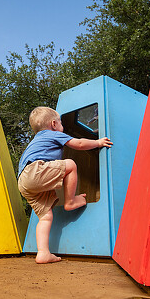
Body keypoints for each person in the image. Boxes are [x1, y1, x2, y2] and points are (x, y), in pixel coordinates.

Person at [18, 106, 113, 264]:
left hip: (23, 181)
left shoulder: (35, 141)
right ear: (54, 124)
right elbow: (80, 144)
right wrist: (98, 142)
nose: (63, 126)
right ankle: (71, 201)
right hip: (35, 171)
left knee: (45, 216)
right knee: (70, 164)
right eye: (61, 122)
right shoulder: (53, 134)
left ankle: (43, 253)